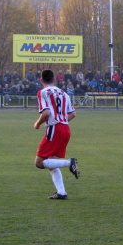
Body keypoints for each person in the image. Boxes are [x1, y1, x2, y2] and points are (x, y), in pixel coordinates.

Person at [34, 69, 80, 200]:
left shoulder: (42, 92)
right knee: (51, 162)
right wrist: (61, 120)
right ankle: (61, 192)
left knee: (39, 162)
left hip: (54, 130)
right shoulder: (64, 93)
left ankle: (69, 163)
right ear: (54, 80)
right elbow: (73, 114)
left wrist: (37, 123)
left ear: (41, 80)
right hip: (66, 129)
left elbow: (46, 113)